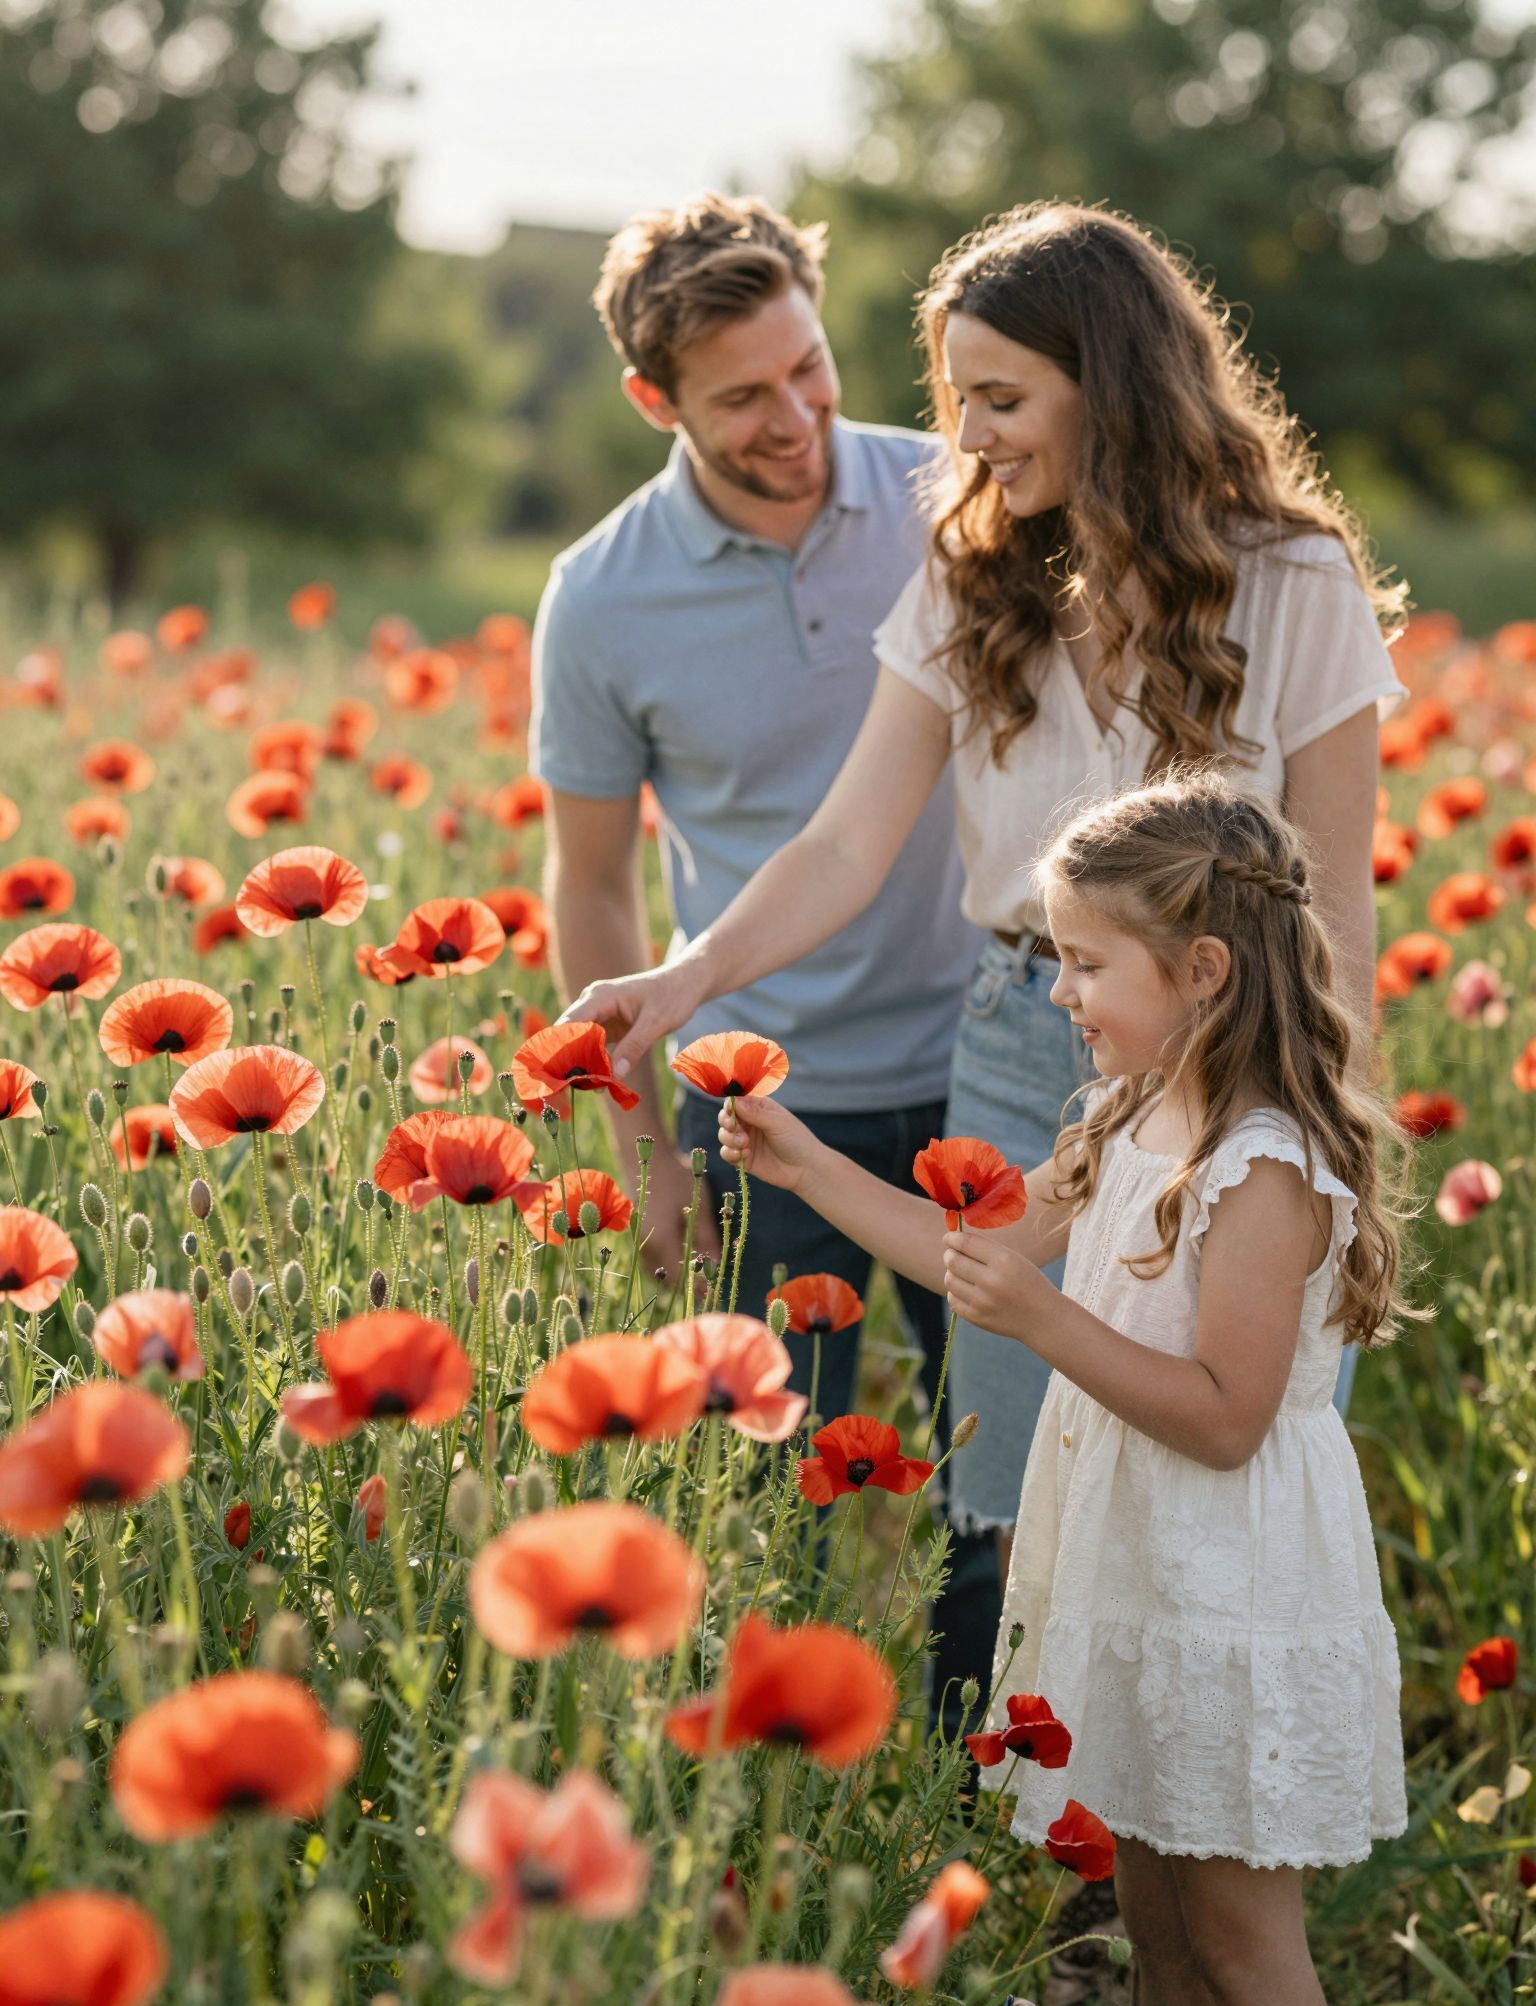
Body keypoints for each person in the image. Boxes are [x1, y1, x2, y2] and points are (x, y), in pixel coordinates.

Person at [562, 198, 1408, 1571]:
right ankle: (1001, 1790)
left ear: (1113, 386)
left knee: (1223, 1497)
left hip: (1244, 1064)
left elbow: (1335, 911)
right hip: (1027, 1043)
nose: (966, 439)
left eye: (1002, 398)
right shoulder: (973, 577)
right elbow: (844, 843)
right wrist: (689, 975)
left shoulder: (1297, 580)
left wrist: (1324, 1133)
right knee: (1005, 1508)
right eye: (957, 401)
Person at [718, 774, 1411, 2006]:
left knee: (1242, 1942)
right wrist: (805, 1157)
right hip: (1133, 1563)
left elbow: (1225, 1418)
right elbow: (967, 1247)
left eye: (1086, 963)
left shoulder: (1262, 1166)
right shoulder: (1133, 1113)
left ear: (1202, 969)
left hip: (1230, 1586)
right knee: (1152, 1921)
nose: (1058, 992)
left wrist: (1046, 1323)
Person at [529, 193, 990, 1722]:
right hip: (755, 1106)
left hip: (993, 1069)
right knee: (756, 1494)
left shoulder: (956, 497)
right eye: (744, 395)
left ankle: (996, 1799)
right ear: (655, 402)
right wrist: (644, 1151)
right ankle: (785, 1828)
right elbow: (590, 890)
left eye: (812, 367)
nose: (797, 415)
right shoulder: (602, 597)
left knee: (1003, 1477)